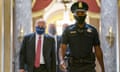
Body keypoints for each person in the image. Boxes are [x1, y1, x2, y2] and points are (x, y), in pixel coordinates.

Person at [59, 1, 105, 72]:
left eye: (82, 13)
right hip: (73, 67)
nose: (80, 15)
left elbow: (97, 49)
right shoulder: (68, 30)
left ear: (85, 14)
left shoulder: (93, 30)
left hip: (89, 66)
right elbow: (62, 47)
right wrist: (61, 60)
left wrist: (102, 67)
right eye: (78, 13)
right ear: (74, 14)